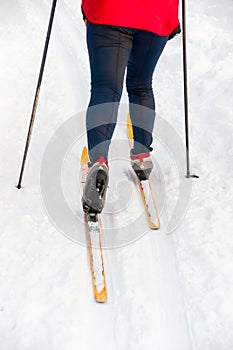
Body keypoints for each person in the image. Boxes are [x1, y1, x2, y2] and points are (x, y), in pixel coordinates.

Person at [81, 0, 180, 214]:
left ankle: (98, 162)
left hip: (109, 11)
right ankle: (142, 157)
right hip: (157, 13)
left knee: (106, 90)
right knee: (141, 86)